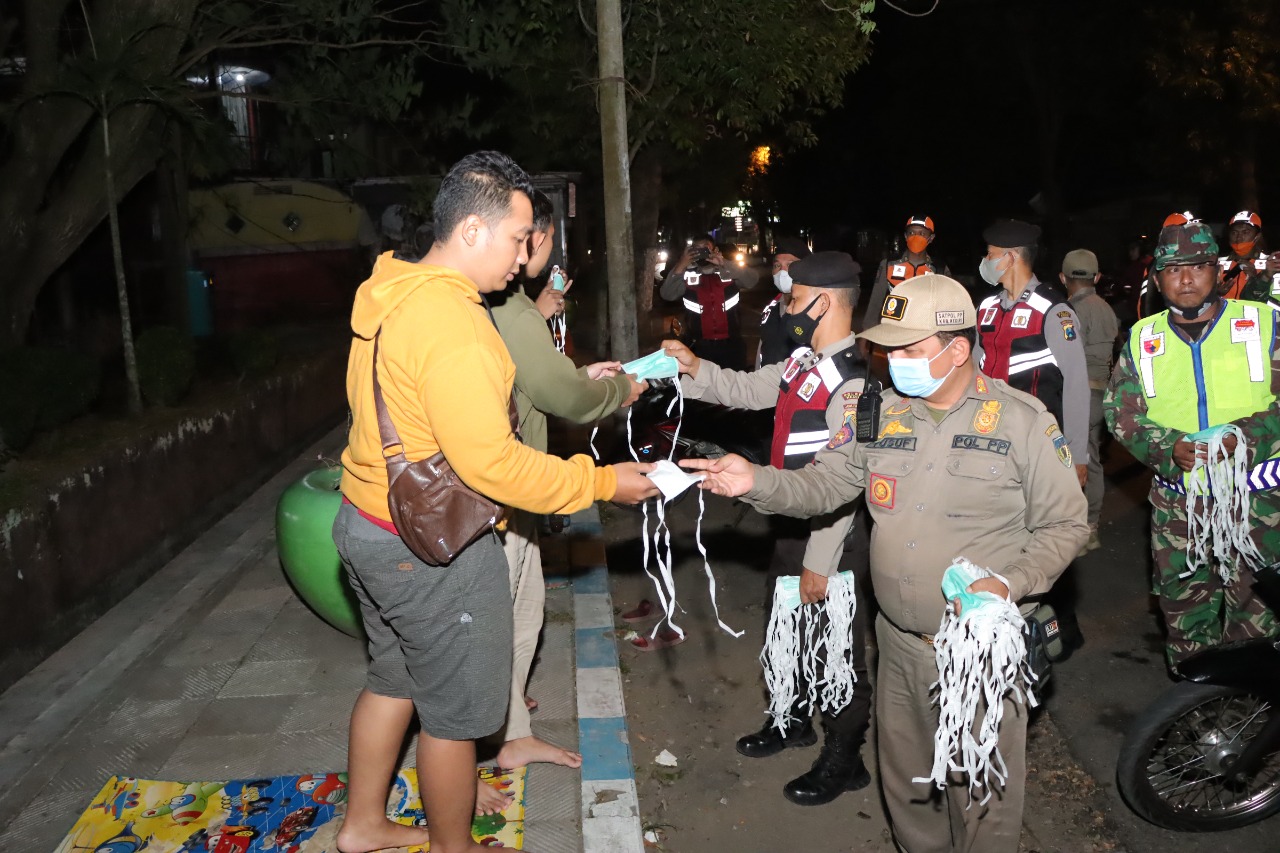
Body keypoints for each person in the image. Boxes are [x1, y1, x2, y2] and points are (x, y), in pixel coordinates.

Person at [683, 273, 1088, 853]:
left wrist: (1010, 583)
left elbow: (1066, 524)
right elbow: (825, 486)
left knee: (981, 798)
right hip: (896, 643)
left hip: (975, 649)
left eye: (909, 348)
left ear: (956, 349)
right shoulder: (879, 415)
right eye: (888, 347)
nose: (892, 359)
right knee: (907, 788)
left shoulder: (1022, 422)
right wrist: (757, 482)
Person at [333, 150, 658, 853]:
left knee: (394, 677)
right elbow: (496, 466)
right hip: (432, 546)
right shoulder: (453, 325)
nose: (524, 256)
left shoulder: (393, 288)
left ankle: (362, 823)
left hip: (366, 522)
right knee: (455, 716)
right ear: (473, 231)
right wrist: (602, 481)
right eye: (518, 239)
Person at [665, 251, 873, 806]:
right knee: (791, 628)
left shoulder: (852, 383)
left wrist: (820, 560)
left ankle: (845, 754)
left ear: (824, 302)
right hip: (792, 525)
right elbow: (746, 389)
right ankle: (792, 719)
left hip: (831, 538)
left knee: (837, 648)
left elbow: (844, 485)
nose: (786, 307)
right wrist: (692, 369)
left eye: (795, 297)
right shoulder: (804, 363)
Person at [484, 190, 646, 792]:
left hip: (515, 487)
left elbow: (535, 385)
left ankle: (508, 723)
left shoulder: (502, 303)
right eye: (529, 237)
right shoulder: (506, 310)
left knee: (522, 606)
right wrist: (615, 392)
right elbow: (562, 399)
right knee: (496, 615)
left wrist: (578, 373)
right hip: (500, 490)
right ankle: (487, 724)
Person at [1105, 219, 1280, 671]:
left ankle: (1250, 728)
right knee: (1186, 624)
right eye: (1172, 268)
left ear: (1218, 271)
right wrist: (1166, 447)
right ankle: (1197, 727)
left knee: (1259, 624)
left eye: (1198, 265)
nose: (1186, 278)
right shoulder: (1144, 339)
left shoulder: (1265, 323)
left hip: (1258, 504)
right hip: (1179, 509)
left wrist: (1243, 438)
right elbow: (1120, 413)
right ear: (1157, 277)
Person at [976, 219, 1090, 489]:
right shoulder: (986, 307)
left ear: (1011, 257)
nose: (985, 261)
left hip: (1035, 440)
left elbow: (1076, 384)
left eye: (990, 254)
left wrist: (1077, 454)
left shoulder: (1053, 311)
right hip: (987, 434)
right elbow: (972, 371)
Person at [1060, 249, 1119, 554]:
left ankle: (1082, 531)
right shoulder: (1107, 310)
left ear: (1062, 278)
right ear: (1096, 278)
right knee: (1091, 459)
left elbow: (1067, 360)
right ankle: (1090, 526)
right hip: (1102, 395)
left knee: (1075, 461)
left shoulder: (1065, 314)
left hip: (1079, 396)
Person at [660, 233, 758, 370]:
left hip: (731, 345)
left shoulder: (728, 271)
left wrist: (724, 263)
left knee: (732, 388)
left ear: (715, 250)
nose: (701, 253)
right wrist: (682, 264)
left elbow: (752, 280)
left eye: (705, 248)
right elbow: (667, 294)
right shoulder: (688, 274)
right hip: (698, 346)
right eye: (696, 249)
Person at [861, 214, 951, 333]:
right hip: (893, 331)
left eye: (922, 233)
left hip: (924, 332)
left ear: (931, 238)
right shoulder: (889, 264)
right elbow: (876, 301)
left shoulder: (939, 269)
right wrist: (865, 336)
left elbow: (947, 305)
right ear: (905, 236)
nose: (916, 237)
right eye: (911, 233)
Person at [758, 235, 811, 368]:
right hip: (767, 384)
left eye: (790, 265)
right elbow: (762, 350)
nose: (782, 271)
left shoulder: (816, 310)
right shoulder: (770, 309)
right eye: (777, 265)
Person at [1217, 210, 1273, 302]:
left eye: (1245, 232)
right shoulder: (1217, 263)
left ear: (1257, 236)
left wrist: (1257, 280)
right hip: (1225, 315)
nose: (1239, 237)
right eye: (1234, 232)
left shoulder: (1270, 264)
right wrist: (1216, 294)